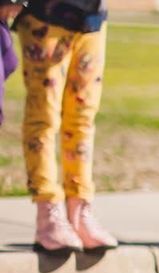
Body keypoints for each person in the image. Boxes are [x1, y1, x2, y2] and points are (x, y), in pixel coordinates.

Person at [6, 0, 118, 252]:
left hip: (91, 17)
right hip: (46, 15)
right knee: (43, 116)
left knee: (83, 115)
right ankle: (48, 213)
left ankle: (79, 209)